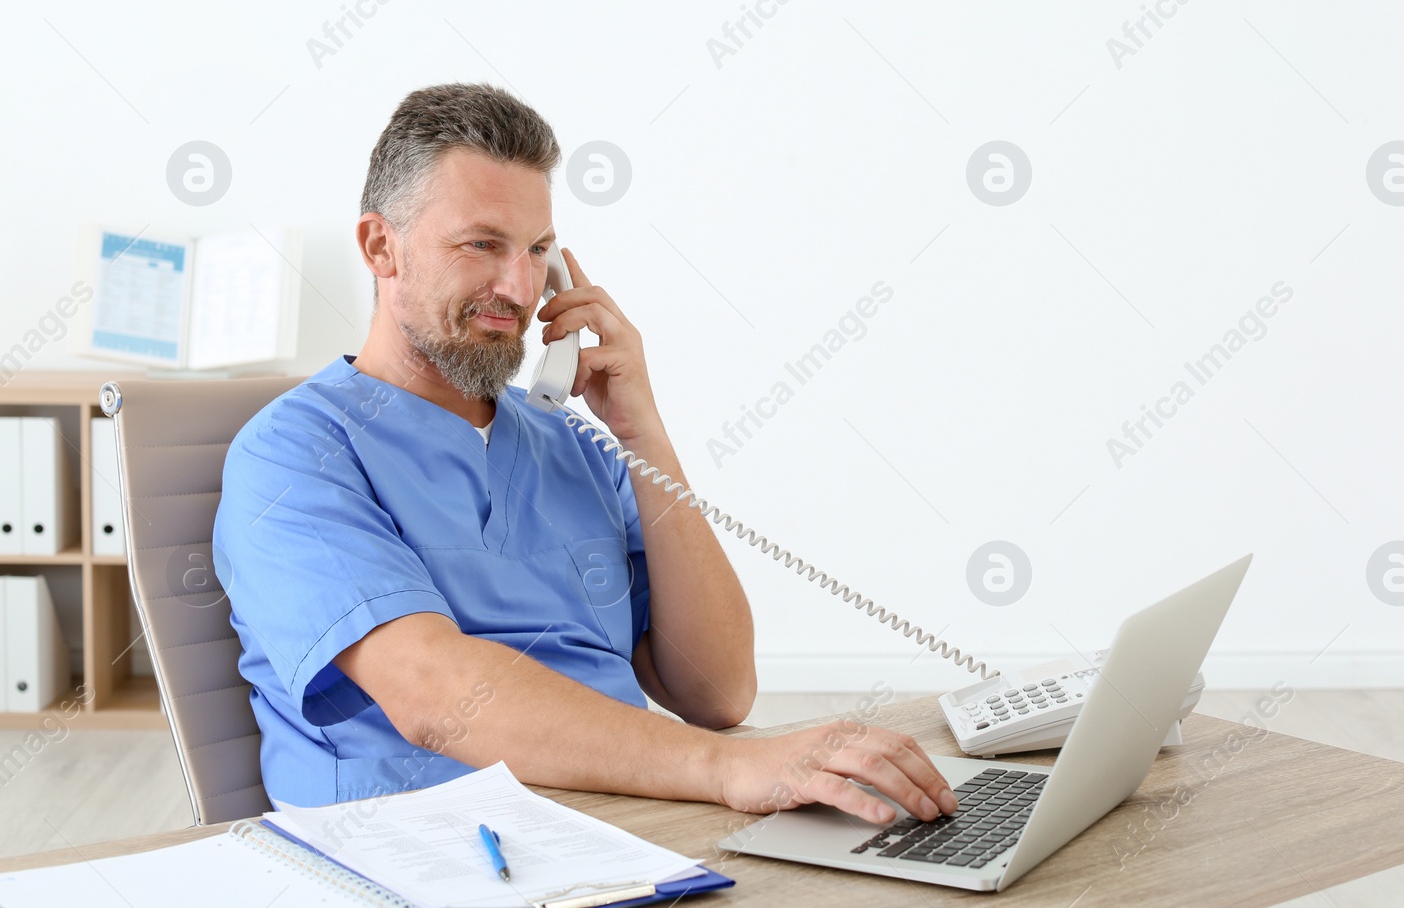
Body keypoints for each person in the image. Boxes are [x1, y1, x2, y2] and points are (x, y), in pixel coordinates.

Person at [213, 83, 957, 826]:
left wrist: (644, 436)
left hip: (631, 819)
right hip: (426, 851)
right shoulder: (291, 456)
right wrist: (722, 765)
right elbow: (433, 692)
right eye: (483, 244)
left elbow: (718, 691)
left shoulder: (570, 445)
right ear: (381, 246)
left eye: (537, 251)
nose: (519, 287)